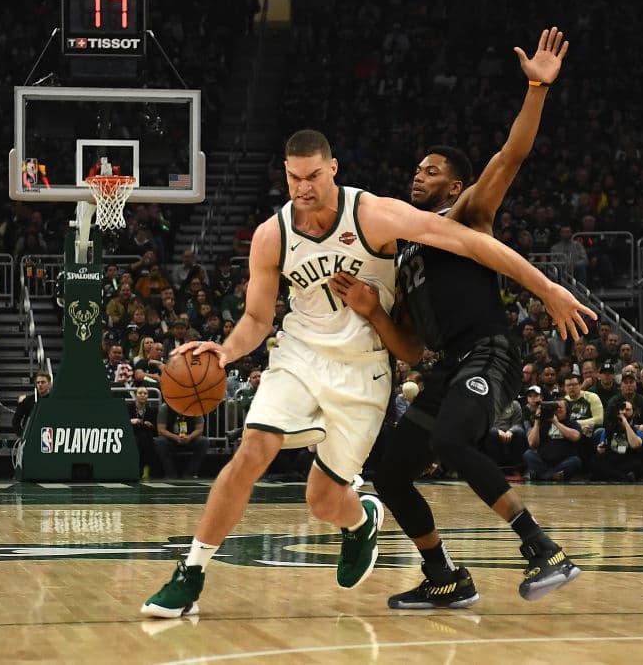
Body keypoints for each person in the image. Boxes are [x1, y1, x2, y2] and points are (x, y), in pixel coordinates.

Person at [142, 124, 591, 617]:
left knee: (323, 499)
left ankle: (361, 524)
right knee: (254, 448)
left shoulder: (376, 214)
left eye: (313, 175)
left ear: (333, 168)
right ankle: (192, 571)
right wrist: (227, 352)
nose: (303, 188)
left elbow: (472, 243)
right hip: (300, 354)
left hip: (364, 371)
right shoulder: (272, 235)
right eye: (293, 178)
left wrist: (546, 288)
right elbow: (255, 318)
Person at [327, 28, 592, 609]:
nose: (417, 176)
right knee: (392, 473)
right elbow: (412, 352)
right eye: (416, 171)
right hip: (446, 366)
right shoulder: (402, 253)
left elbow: (512, 155)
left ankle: (544, 550)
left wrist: (536, 90)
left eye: (430, 170)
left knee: (450, 441)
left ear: (453, 182)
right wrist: (373, 313)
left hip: (488, 350)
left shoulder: (467, 213)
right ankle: (445, 576)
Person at [523, 398, 582, 481]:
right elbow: (532, 443)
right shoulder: (543, 423)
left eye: (559, 408)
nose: (557, 410)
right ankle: (552, 476)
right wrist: (537, 422)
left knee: (575, 461)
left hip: (563, 462)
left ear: (566, 411)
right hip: (544, 462)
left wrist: (556, 423)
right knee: (528, 454)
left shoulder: (572, 423)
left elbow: (576, 437)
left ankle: (542, 475)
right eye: (555, 408)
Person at [154, 402, 208, 479]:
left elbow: (199, 429)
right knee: (159, 441)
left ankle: (190, 473)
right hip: (171, 440)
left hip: (189, 439)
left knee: (204, 441)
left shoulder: (195, 407)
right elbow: (161, 430)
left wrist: (189, 437)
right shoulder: (165, 408)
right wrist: (176, 438)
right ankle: (170, 473)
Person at [129, 386, 159, 480]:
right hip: (132, 434)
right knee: (141, 439)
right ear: (135, 395)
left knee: (146, 438)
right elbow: (122, 423)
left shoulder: (152, 410)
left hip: (147, 435)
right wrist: (131, 421)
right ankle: (140, 469)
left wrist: (148, 424)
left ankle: (146, 469)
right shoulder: (129, 408)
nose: (142, 395)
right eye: (140, 393)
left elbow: (155, 427)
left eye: (145, 393)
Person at [12, 371, 52, 437]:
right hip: (31, 436)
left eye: (43, 382)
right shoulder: (27, 400)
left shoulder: (53, 400)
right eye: (38, 382)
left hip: (48, 436)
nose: (40, 384)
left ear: (49, 384)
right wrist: (22, 435)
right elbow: (15, 421)